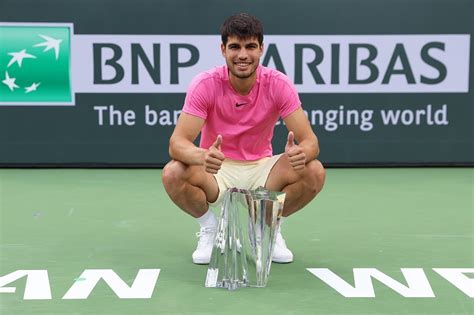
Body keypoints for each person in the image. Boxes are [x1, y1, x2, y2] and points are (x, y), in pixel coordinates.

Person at [162, 13, 325, 264]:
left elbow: (310, 142)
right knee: (173, 173)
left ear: (261, 49)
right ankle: (212, 229)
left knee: (314, 171)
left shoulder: (278, 84)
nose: (242, 55)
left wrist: (302, 153)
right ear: (223, 49)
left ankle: (266, 226)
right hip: (217, 169)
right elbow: (177, 143)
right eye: (235, 47)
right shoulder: (205, 84)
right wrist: (202, 155)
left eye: (250, 46)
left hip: (262, 169)